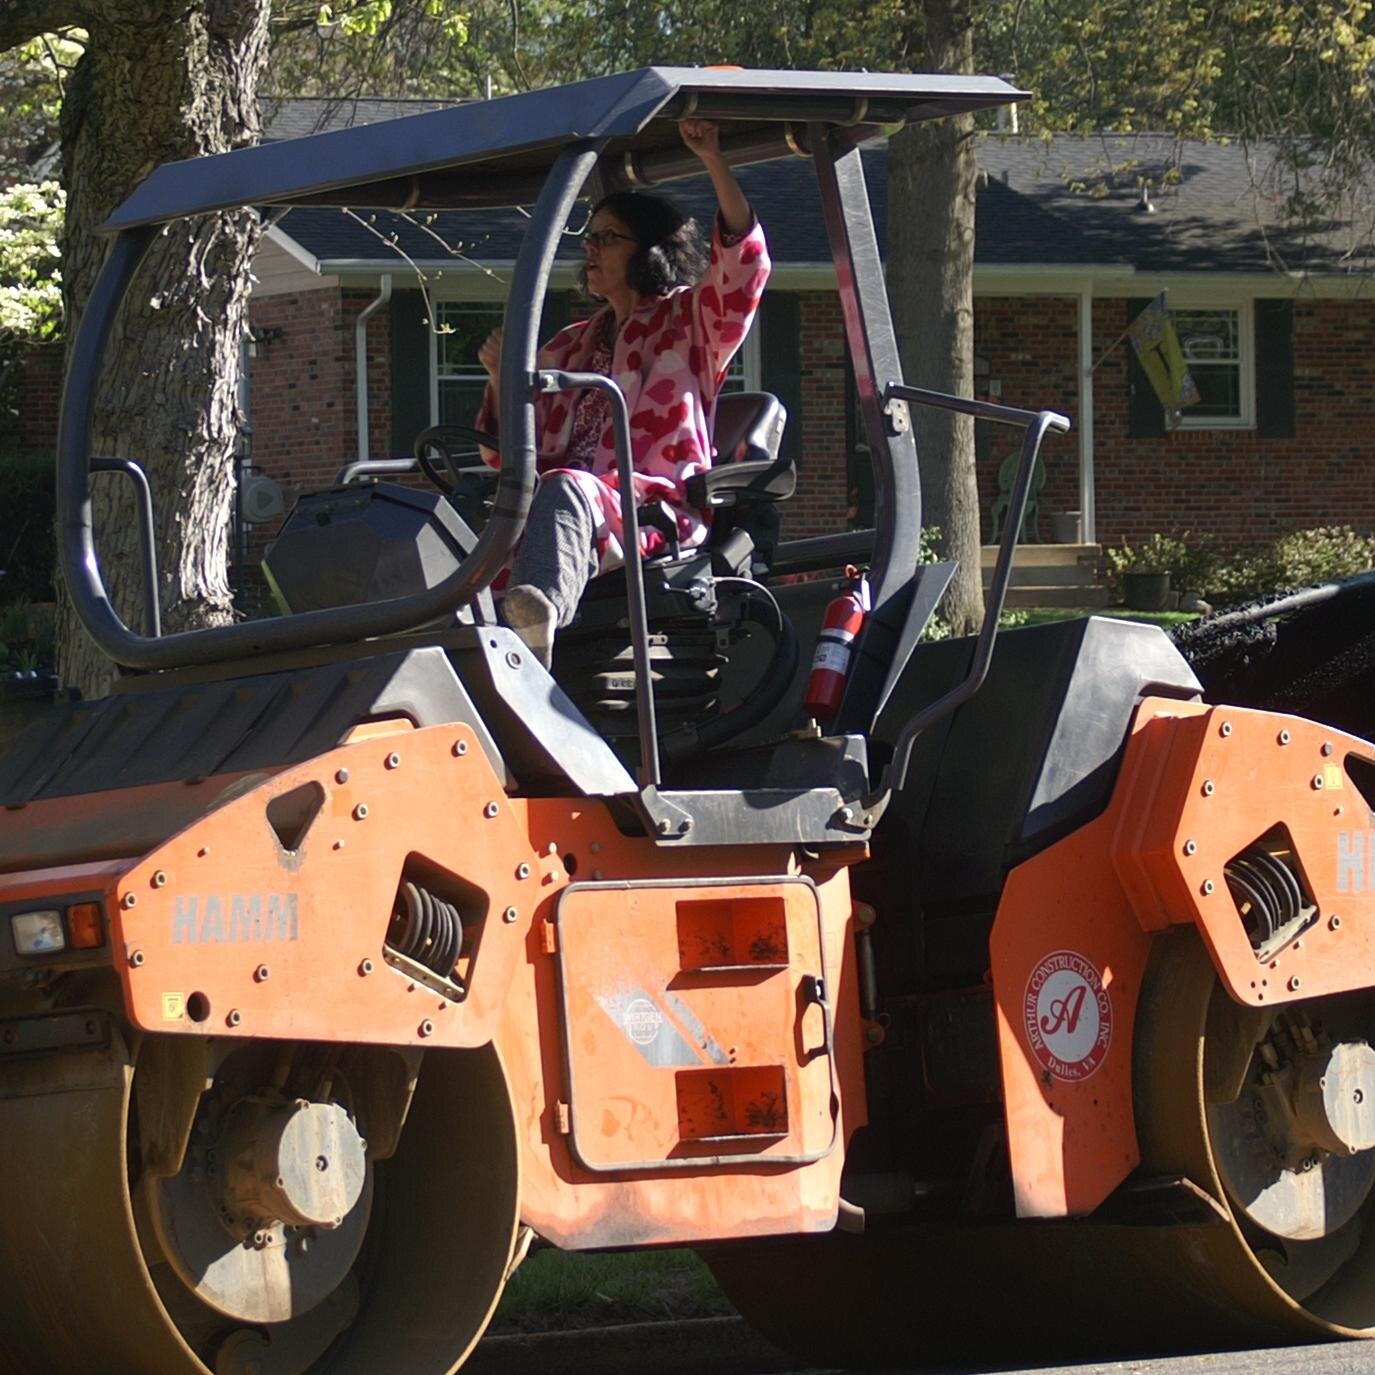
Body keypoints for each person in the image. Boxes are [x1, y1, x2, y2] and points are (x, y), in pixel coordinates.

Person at [475, 118, 770, 667]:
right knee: (448, 528)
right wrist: (498, 377)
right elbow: (504, 454)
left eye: (606, 238)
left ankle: (536, 636)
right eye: (588, 238)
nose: (590, 250)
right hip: (561, 512)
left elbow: (742, 272)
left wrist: (712, 158)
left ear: (649, 251)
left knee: (564, 491)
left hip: (651, 507)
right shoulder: (569, 347)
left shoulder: (689, 322)